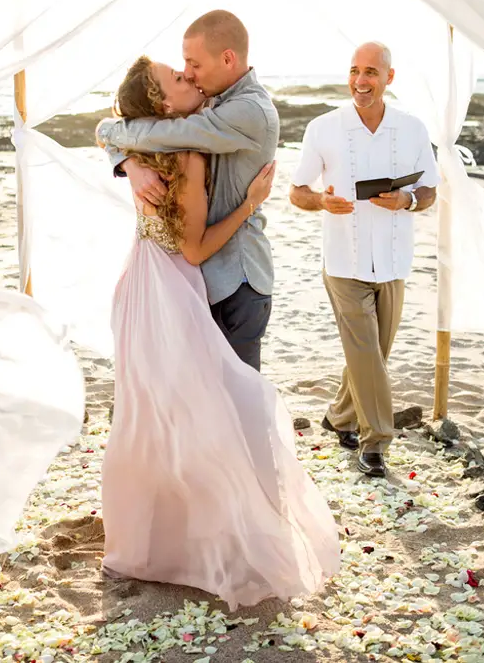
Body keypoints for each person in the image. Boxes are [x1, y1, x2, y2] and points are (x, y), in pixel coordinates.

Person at [97, 55, 340, 609]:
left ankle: (152, 538)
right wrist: (252, 203)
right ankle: (214, 532)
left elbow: (112, 127)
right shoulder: (185, 153)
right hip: (173, 294)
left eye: (190, 68)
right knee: (215, 414)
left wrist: (124, 160)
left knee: (152, 417)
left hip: (138, 290)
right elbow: (195, 248)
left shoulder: (147, 144)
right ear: (161, 105)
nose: (189, 78)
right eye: (178, 77)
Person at [96, 10, 278, 373]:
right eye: (183, 67)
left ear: (228, 58)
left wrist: (111, 138)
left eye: (193, 64)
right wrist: (128, 164)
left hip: (236, 280)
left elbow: (162, 133)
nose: (189, 73)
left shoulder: (248, 111)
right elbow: (141, 130)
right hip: (199, 280)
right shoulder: (212, 101)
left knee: (236, 404)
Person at [289, 42, 439, 479]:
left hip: (393, 261)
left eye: (371, 71)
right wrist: (321, 201)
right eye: (354, 70)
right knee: (367, 355)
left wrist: (407, 200)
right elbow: (297, 191)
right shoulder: (323, 128)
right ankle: (375, 443)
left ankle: (338, 417)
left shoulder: (412, 129)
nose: (361, 80)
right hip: (343, 261)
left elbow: (430, 189)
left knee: (374, 354)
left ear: (389, 78)